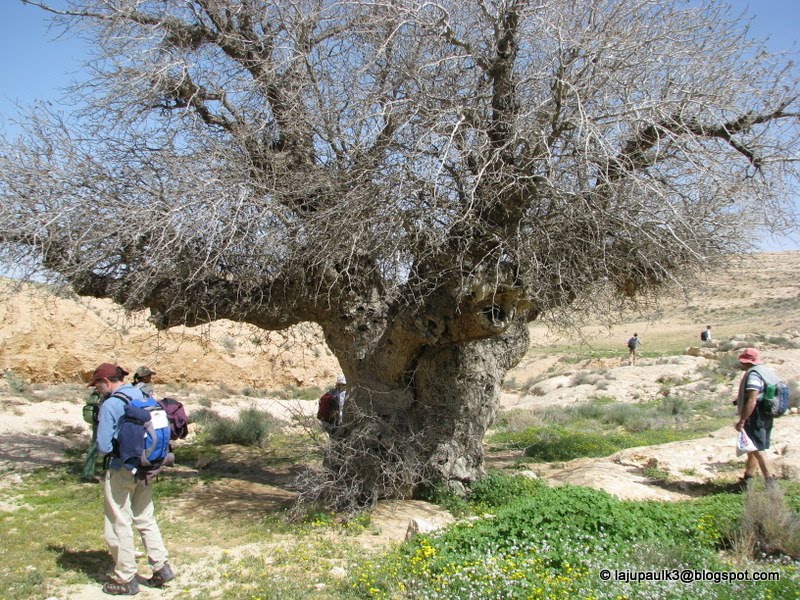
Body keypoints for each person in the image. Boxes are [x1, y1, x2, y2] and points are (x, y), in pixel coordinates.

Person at [90, 362, 175, 595]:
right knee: (145, 517)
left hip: (122, 468)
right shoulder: (142, 394)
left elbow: (104, 446)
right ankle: (161, 566)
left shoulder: (112, 404)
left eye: (97, 384)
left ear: (106, 382)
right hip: (147, 467)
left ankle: (125, 577)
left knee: (119, 520)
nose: (97, 389)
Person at [733, 348, 779, 489]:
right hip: (766, 414)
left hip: (756, 415)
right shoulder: (765, 371)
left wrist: (742, 420)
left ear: (747, 362)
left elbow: (753, 400)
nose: (742, 364)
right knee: (752, 445)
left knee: (758, 449)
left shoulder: (753, 375)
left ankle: (771, 483)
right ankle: (748, 478)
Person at [80, 389, 103, 483]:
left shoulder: (95, 393)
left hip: (96, 423)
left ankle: (87, 473)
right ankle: (87, 474)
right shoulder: (105, 394)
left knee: (94, 447)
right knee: (95, 448)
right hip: (102, 424)